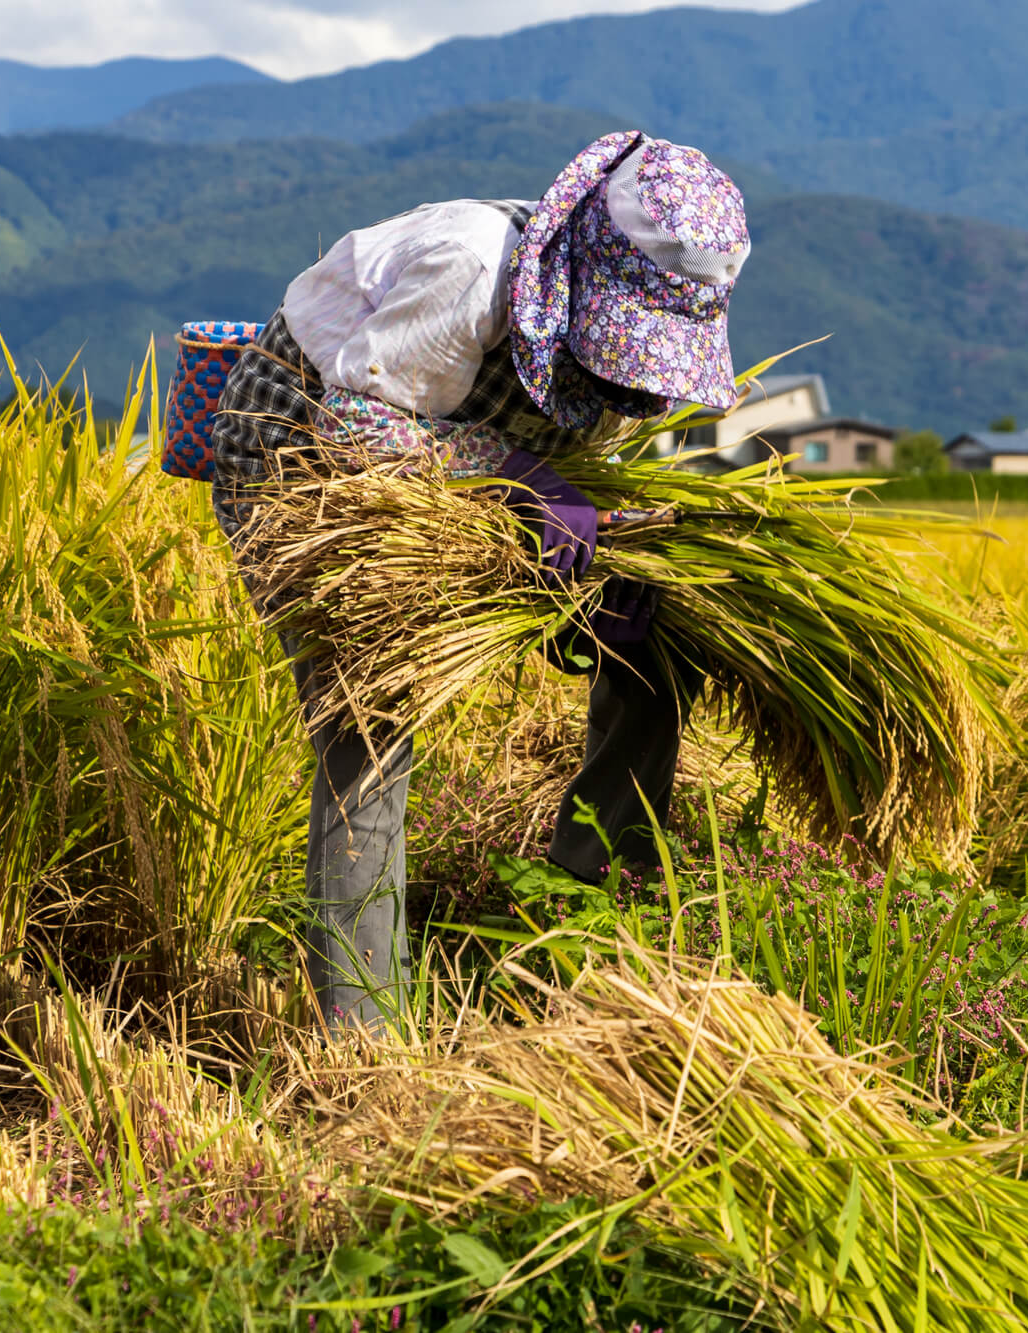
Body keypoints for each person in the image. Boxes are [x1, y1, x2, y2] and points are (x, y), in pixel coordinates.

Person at [207, 132, 751, 1029]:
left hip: (474, 489)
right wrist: (531, 486)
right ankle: (364, 1037)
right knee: (370, 715)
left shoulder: (611, 368)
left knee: (654, 650)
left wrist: (587, 559)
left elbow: (560, 460)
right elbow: (359, 421)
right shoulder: (467, 267)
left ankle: (578, 930)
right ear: (584, 275)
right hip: (312, 457)